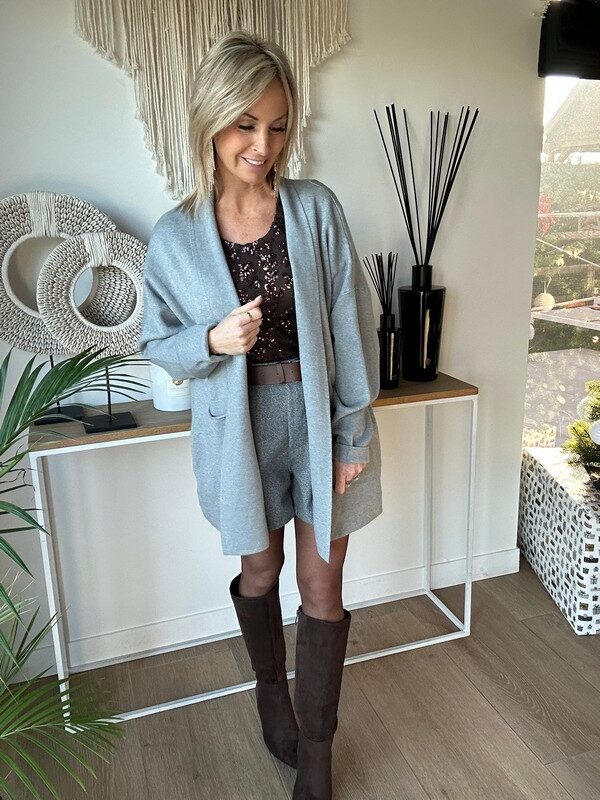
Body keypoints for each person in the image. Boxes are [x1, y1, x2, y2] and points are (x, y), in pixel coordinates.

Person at [138, 29, 383, 800]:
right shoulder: (176, 235)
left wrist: (353, 429)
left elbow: (352, 321)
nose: (262, 144)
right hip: (237, 429)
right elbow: (157, 344)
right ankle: (271, 694)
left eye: (277, 126)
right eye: (246, 124)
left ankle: (316, 753)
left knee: (322, 585)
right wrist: (210, 340)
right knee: (262, 568)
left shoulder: (313, 209)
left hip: (315, 414)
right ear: (211, 120)